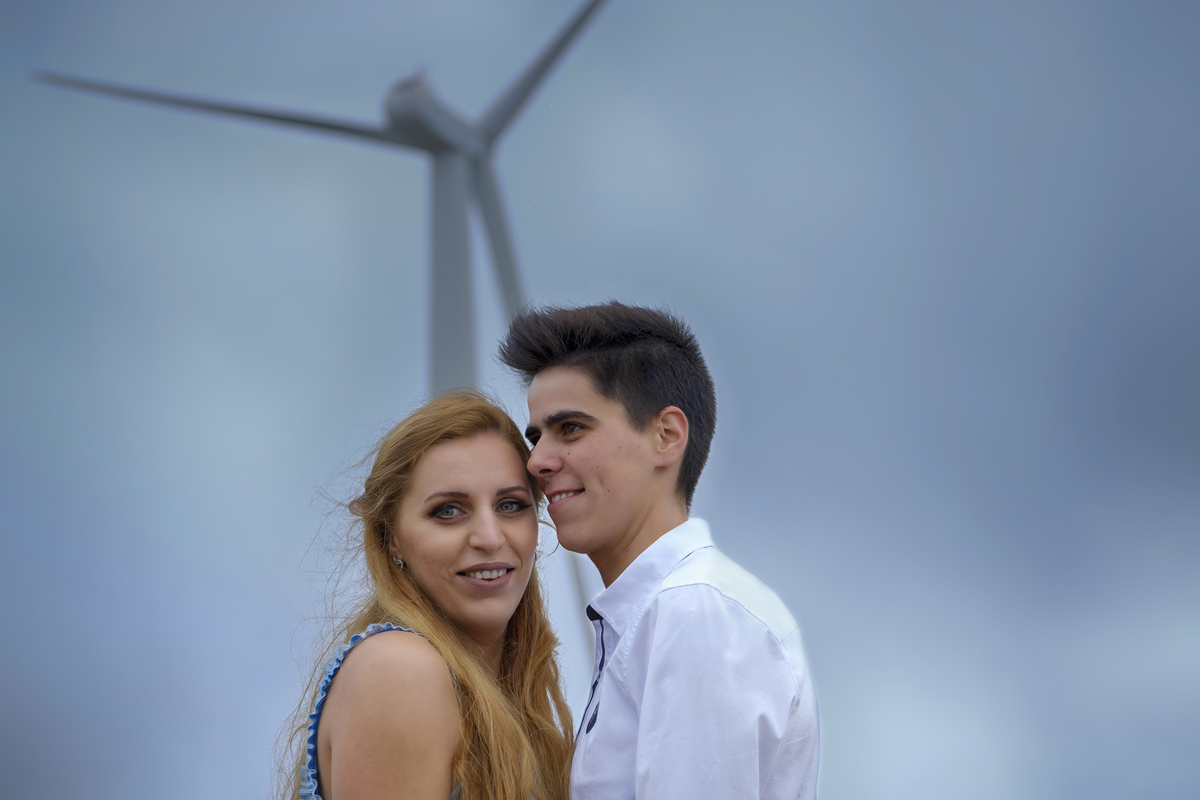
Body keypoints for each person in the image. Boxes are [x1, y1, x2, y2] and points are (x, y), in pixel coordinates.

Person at [499, 302, 819, 799]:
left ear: (666, 436)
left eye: (571, 428)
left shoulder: (694, 612)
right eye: (536, 437)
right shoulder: (664, 614)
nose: (537, 462)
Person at [278, 391, 573, 800]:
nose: (490, 538)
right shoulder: (400, 670)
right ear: (391, 537)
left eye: (510, 505)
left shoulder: (512, 689)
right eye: (448, 511)